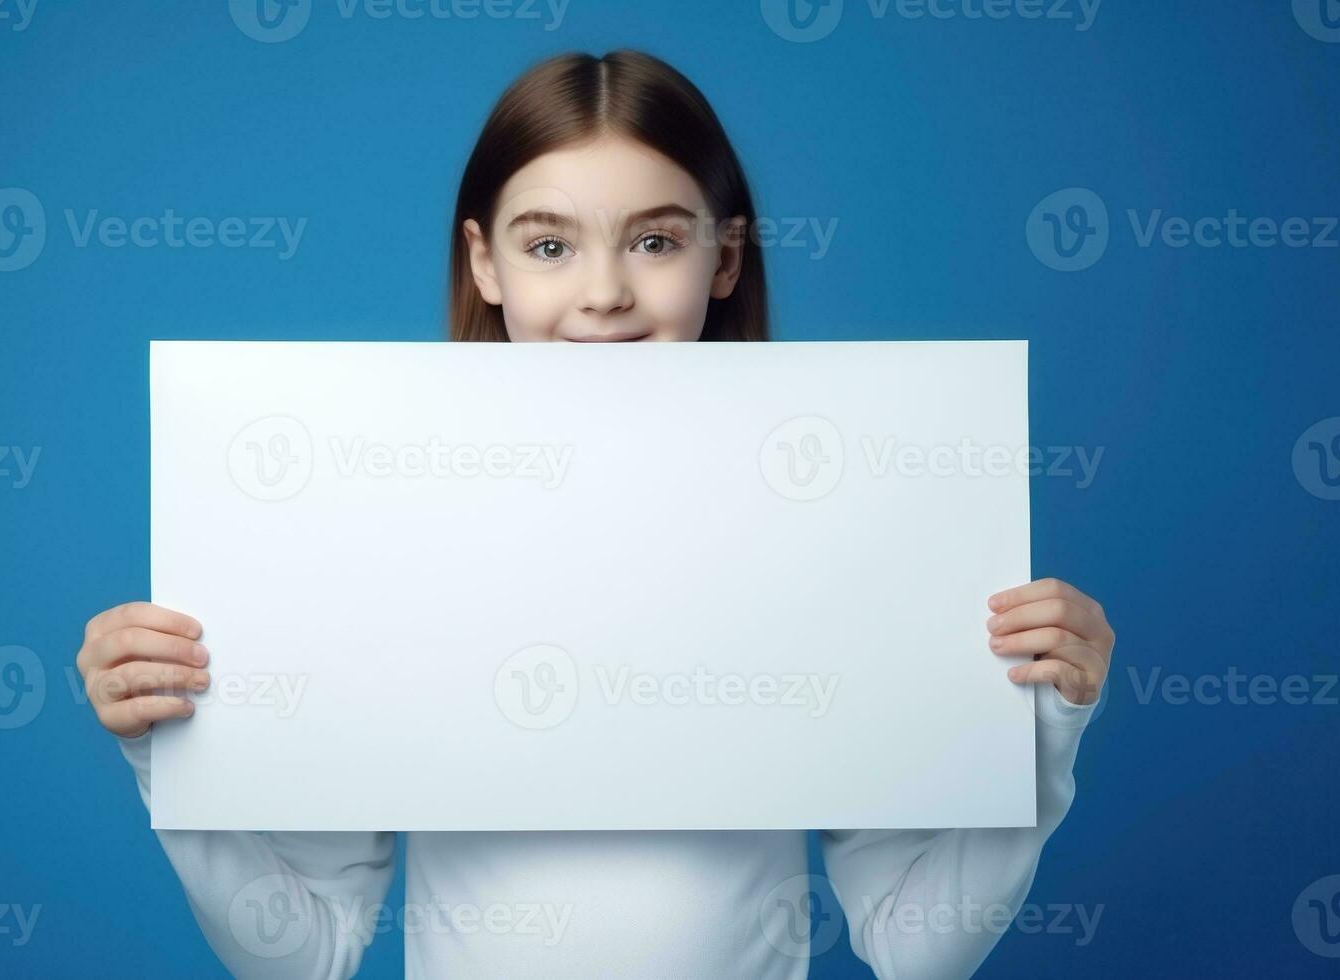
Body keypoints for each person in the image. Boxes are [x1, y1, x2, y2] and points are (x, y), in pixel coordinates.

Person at [75, 50, 1114, 979]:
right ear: (485, 261)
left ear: (727, 258)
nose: (605, 292)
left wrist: (1040, 735)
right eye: (549, 245)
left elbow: (913, 943)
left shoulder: (830, 531)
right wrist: (169, 754)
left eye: (656, 239)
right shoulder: (381, 530)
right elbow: (302, 950)